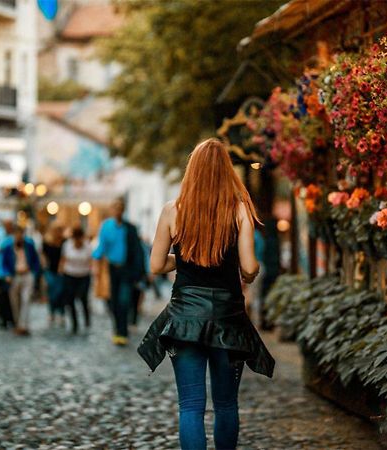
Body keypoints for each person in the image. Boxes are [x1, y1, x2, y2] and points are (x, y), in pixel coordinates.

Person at [138, 138, 275, 450]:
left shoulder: (173, 210)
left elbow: (156, 265)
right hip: (228, 317)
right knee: (226, 404)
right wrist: (248, 273)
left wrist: (185, 260)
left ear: (193, 171)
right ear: (226, 171)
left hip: (185, 319)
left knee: (191, 406)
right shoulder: (239, 210)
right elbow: (250, 265)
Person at [92, 198, 145, 346]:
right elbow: (101, 247)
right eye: (115, 208)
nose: (117, 211)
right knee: (113, 302)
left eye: (120, 208)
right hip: (112, 268)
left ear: (123, 210)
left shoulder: (130, 228)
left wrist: (141, 271)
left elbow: (137, 250)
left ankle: (122, 332)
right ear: (111, 210)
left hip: (126, 269)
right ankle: (117, 329)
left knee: (124, 300)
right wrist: (94, 261)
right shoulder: (106, 226)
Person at [0, 225, 41, 336]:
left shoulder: (29, 245)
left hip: (27, 274)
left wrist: (34, 273)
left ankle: (24, 325)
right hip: (14, 276)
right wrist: (7, 274)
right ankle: (18, 324)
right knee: (15, 302)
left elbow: (36, 260)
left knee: (26, 299)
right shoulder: (8, 246)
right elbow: (3, 263)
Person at [59, 226, 92, 334]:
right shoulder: (67, 245)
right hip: (70, 274)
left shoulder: (87, 246)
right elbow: (63, 259)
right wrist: (61, 271)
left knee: (83, 297)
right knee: (70, 299)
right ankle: (75, 323)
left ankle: (86, 318)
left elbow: (91, 260)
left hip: (84, 275)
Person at [42, 222, 65, 326]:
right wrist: (45, 265)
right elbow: (43, 255)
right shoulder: (46, 242)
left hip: (61, 271)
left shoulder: (64, 242)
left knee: (60, 292)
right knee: (52, 291)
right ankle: (52, 312)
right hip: (50, 270)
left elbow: (65, 256)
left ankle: (61, 312)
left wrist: (62, 266)